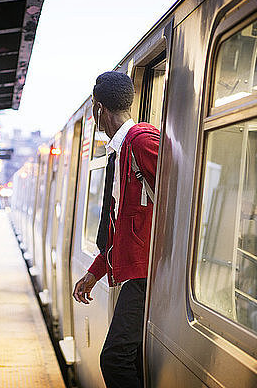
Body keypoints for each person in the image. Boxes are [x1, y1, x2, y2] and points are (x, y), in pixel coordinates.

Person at [72, 71, 160, 388]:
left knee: (114, 360)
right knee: (131, 360)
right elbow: (118, 227)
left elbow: (178, 197)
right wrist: (95, 272)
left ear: (99, 109)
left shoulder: (141, 141)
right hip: (134, 270)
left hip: (144, 274)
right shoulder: (122, 149)